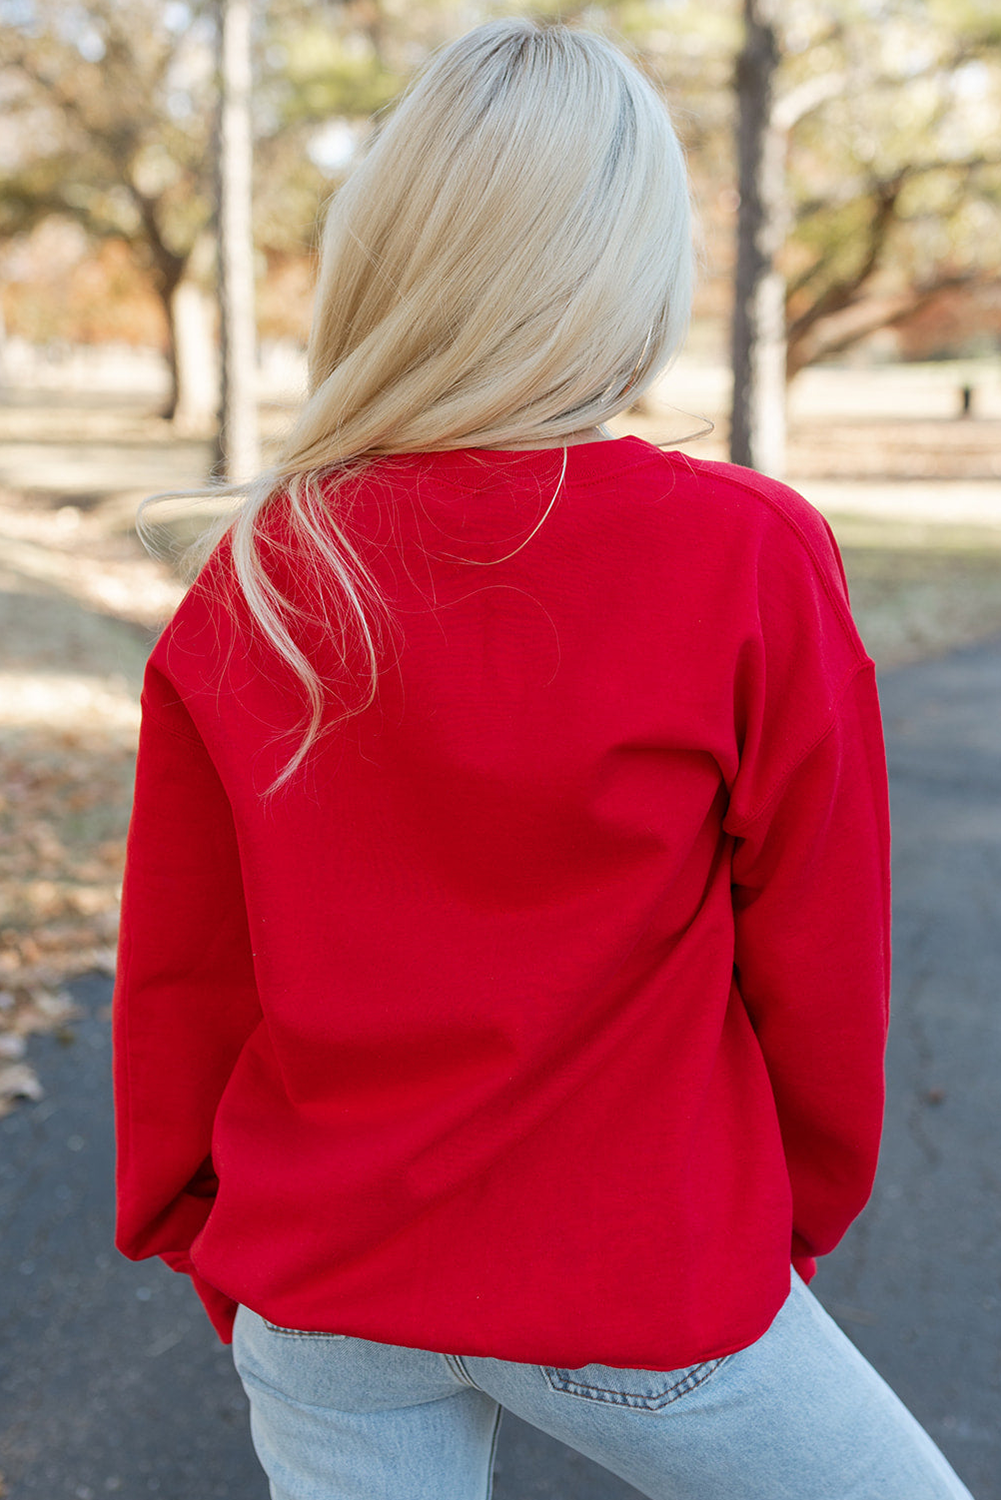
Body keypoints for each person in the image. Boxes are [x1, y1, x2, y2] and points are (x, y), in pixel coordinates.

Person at [112, 19, 977, 1500]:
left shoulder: (260, 574)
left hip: (323, 1283)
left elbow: (184, 984)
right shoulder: (744, 558)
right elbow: (824, 967)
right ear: (627, 269)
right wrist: (780, 1225)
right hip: (640, 1271)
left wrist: (222, 1246)